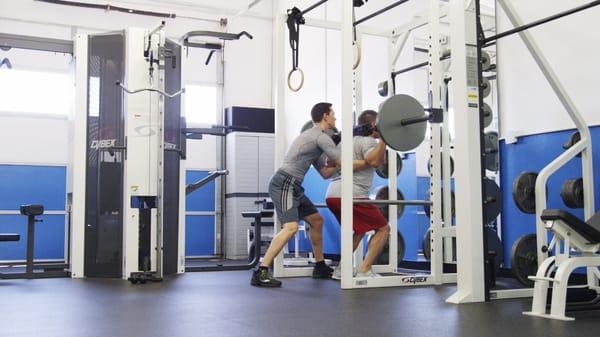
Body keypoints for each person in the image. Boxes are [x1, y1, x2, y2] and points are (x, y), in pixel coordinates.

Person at [251, 102, 367, 288]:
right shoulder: (320, 137)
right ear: (325, 117)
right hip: (284, 183)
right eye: (333, 114)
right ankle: (261, 271)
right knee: (290, 228)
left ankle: (320, 266)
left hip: (294, 185)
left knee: (317, 220)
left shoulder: (316, 139)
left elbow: (325, 173)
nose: (335, 117)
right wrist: (367, 161)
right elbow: (341, 161)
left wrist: (340, 155)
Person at [325, 110, 390, 278]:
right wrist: (385, 138)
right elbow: (374, 161)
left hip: (332, 194)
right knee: (383, 228)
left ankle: (341, 269)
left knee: (359, 230)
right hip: (351, 194)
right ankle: (365, 270)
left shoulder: (344, 142)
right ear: (375, 125)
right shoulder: (367, 141)